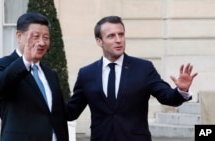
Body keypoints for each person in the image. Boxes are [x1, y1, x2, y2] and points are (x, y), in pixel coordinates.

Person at [66, 16, 198, 141]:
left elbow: (167, 97)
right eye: (111, 36)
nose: (118, 40)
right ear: (99, 41)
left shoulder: (144, 68)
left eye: (121, 34)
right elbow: (71, 111)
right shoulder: (86, 74)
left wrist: (181, 90)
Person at [0, 12, 69, 141]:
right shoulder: (2, 65)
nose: (42, 42)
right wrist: (25, 60)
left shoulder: (50, 73)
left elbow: (57, 112)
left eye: (46, 37)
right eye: (35, 37)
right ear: (19, 36)